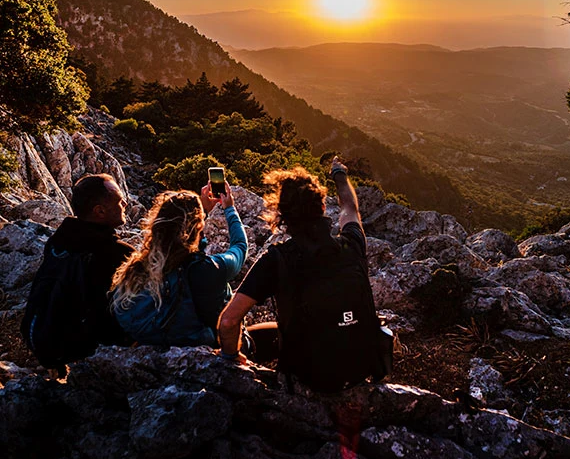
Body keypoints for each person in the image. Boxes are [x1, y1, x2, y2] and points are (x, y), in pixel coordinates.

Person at [217, 157, 384, 393]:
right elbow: (349, 207)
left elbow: (228, 321)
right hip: (359, 368)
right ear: (322, 207)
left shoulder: (277, 260)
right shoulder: (352, 244)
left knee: (254, 335)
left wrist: (231, 358)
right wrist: (339, 174)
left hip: (308, 377)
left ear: (281, 214)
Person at [110, 181, 247, 346]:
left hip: (148, 346)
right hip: (198, 350)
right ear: (198, 227)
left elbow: (176, 230)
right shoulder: (207, 268)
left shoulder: (138, 266)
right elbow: (240, 247)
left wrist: (201, 213)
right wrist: (229, 208)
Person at [21, 173, 133, 368]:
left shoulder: (59, 242)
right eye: (120, 201)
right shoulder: (116, 253)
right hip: (83, 349)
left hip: (43, 340)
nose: (125, 204)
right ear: (100, 211)